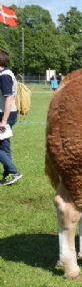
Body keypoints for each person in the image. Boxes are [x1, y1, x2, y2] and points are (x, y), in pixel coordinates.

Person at [0, 48, 23, 186]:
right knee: (4, 147)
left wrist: (3, 121)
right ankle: (8, 174)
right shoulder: (3, 73)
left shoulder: (5, 76)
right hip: (5, 114)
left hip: (6, 115)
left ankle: (14, 172)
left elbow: (8, 98)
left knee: (2, 147)